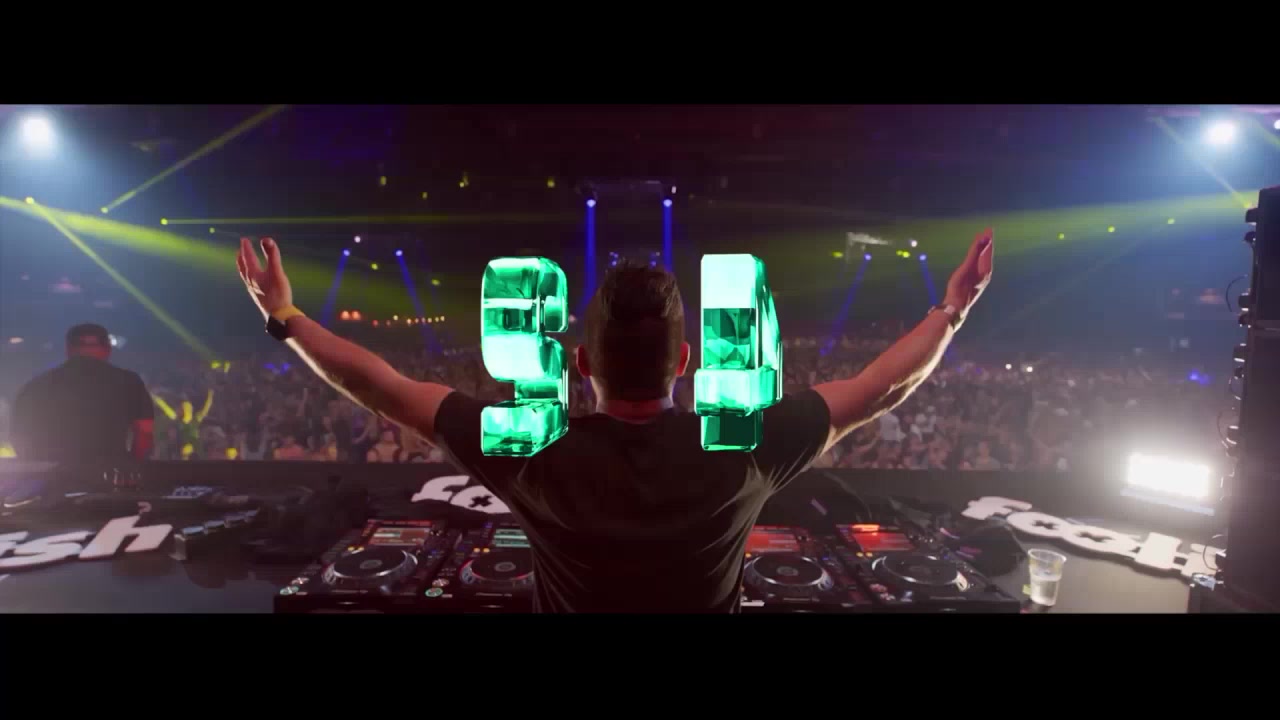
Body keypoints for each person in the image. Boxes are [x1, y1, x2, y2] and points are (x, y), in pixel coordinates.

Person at [236, 228, 993, 612]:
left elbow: (383, 388)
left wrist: (286, 318)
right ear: (685, 359)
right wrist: (952, 309)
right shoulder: (746, 444)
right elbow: (881, 387)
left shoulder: (532, 449)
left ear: (581, 363)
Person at [10, 323, 154, 464]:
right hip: (109, 473)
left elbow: (19, 435)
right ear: (107, 349)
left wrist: (41, 467)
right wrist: (132, 467)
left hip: (54, 474)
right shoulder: (128, 381)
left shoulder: (38, 385)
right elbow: (144, 433)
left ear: (69, 349)